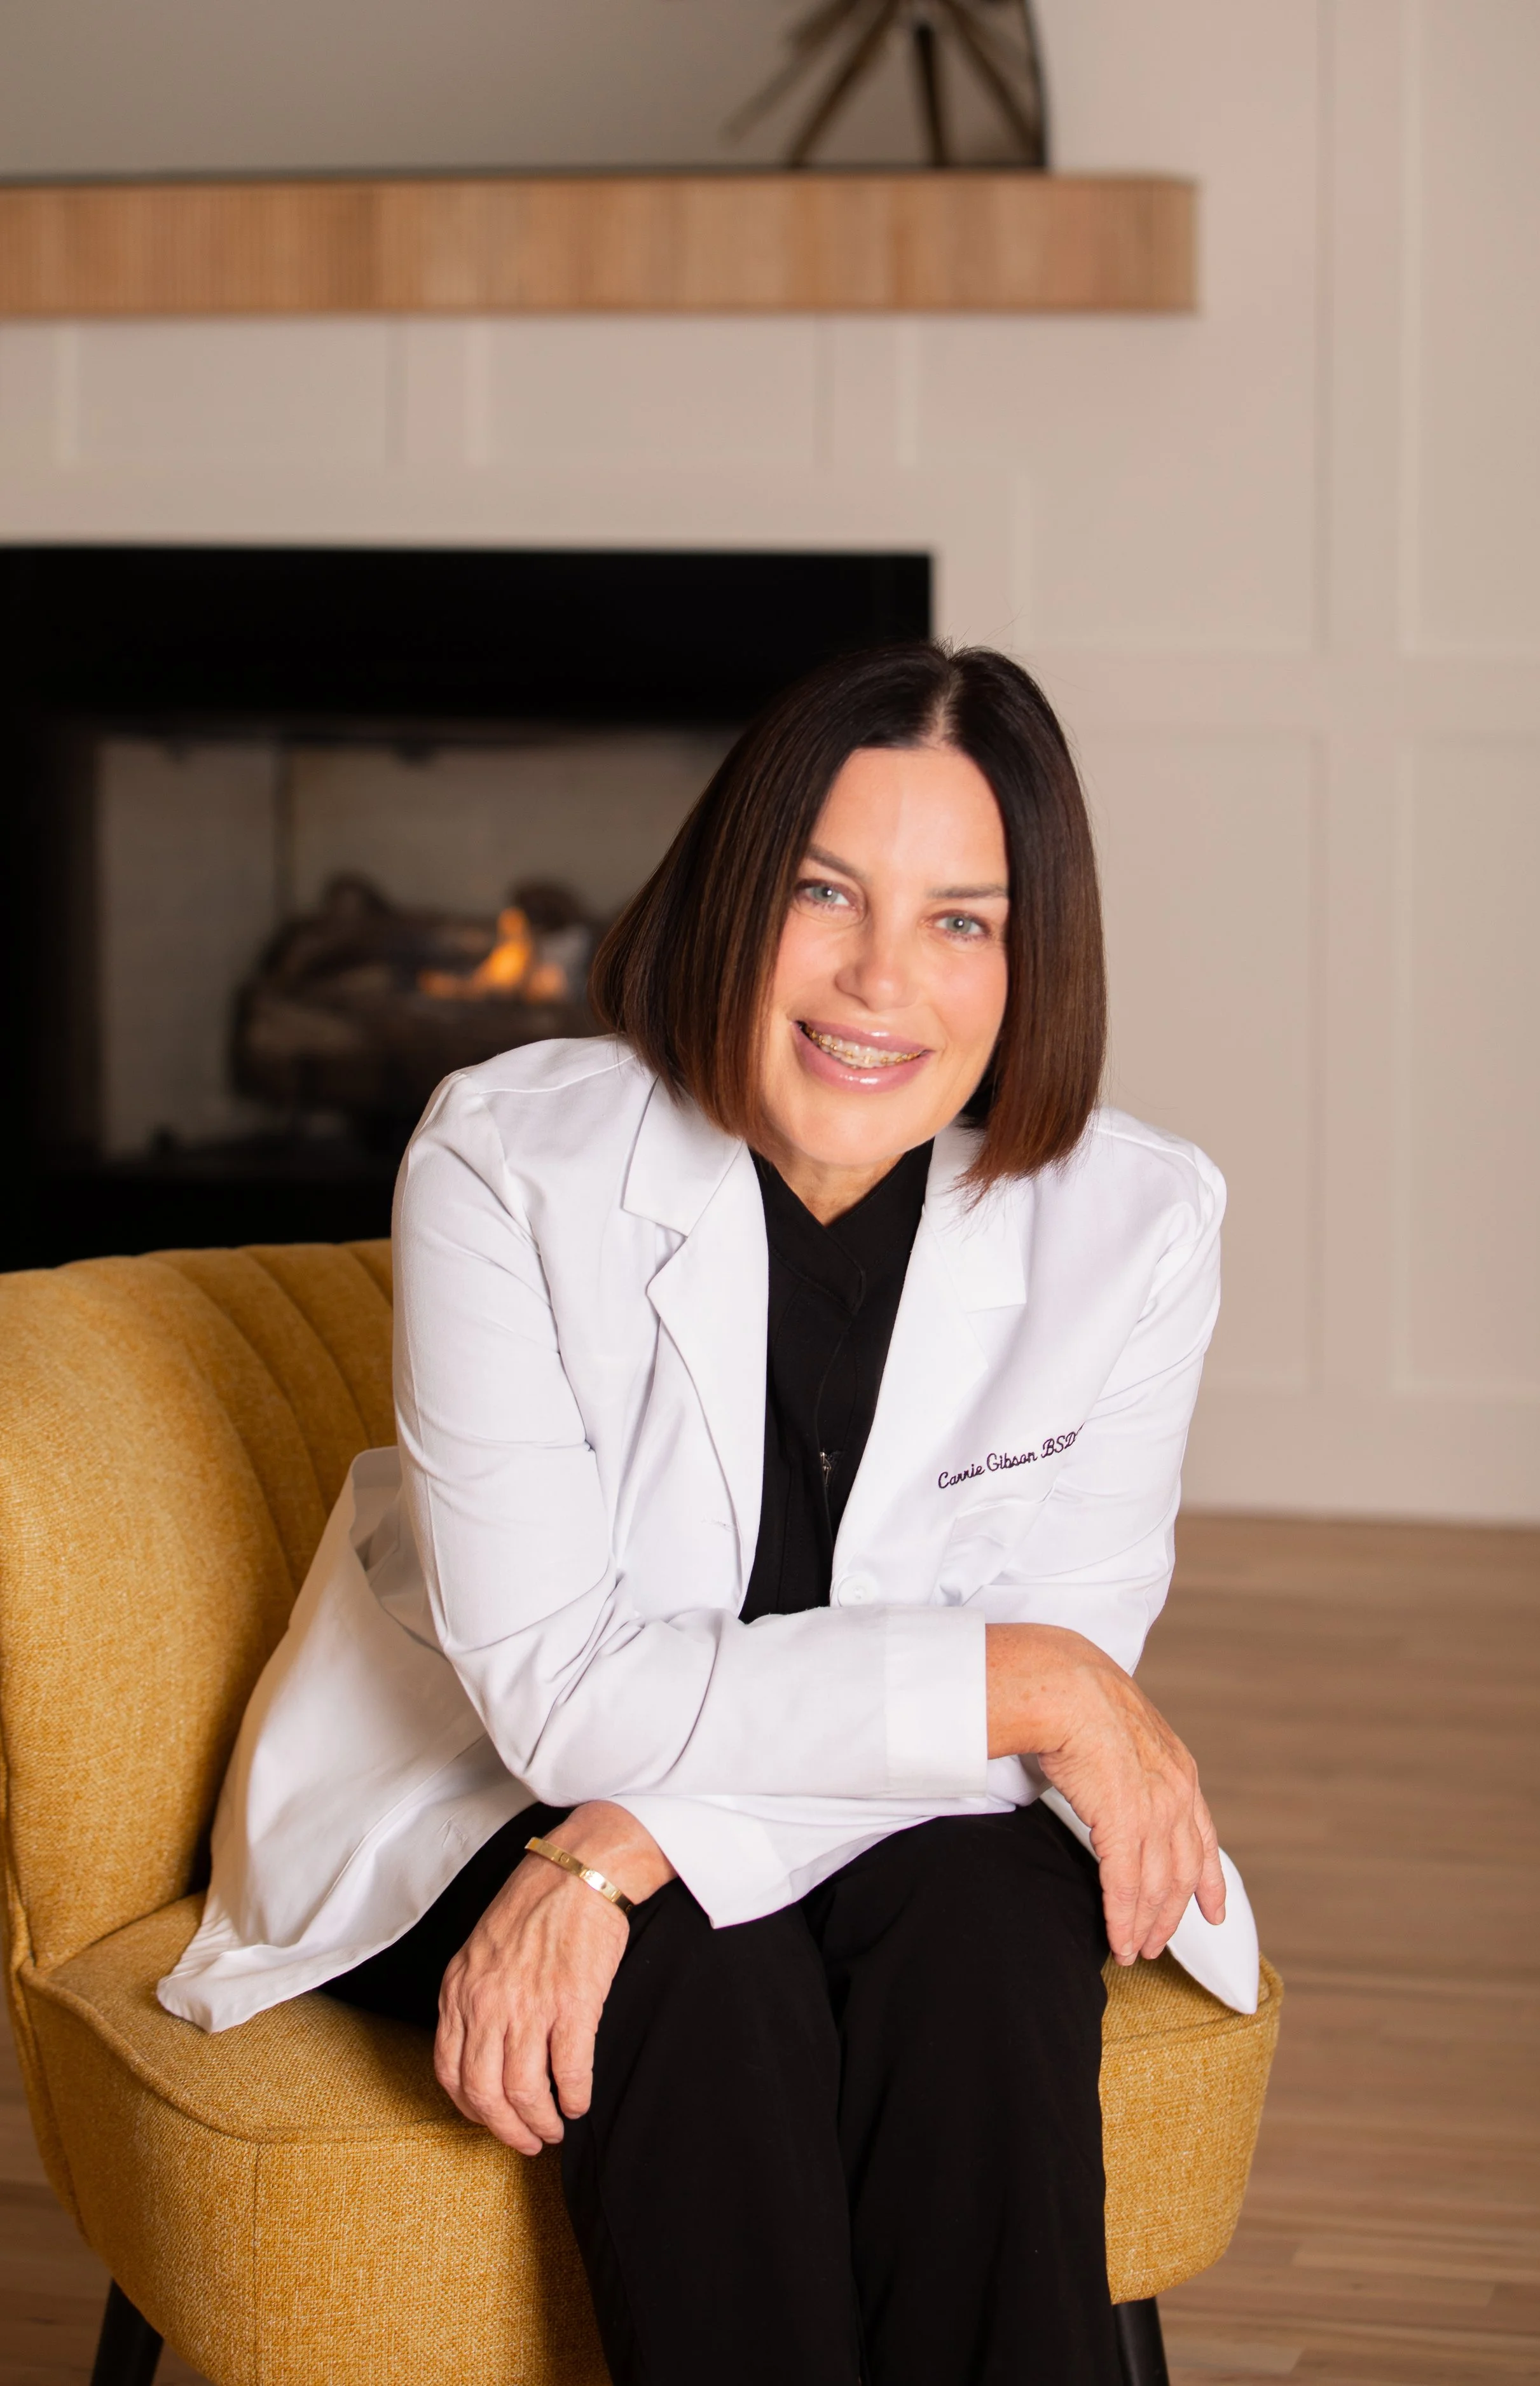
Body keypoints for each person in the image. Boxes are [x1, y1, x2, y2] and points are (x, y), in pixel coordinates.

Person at [160, 641, 1229, 2386]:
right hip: (499, 1780)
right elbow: (567, 1700)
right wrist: (1016, 1684)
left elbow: (1059, 1674)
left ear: (1033, 962)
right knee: (699, 1985)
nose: (882, 980)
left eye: (962, 920)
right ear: (736, 892)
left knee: (979, 1929)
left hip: (744, 1823)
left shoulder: (1137, 1221)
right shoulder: (508, 1162)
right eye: (827, 893)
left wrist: (634, 1844)